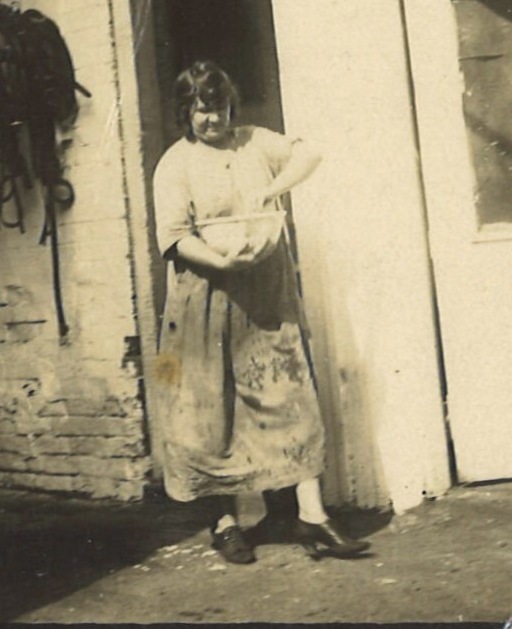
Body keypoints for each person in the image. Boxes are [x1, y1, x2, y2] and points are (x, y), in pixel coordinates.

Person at [151, 60, 369, 565]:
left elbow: (309, 153)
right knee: (206, 411)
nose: (213, 120)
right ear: (186, 113)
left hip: (266, 298)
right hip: (204, 297)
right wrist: (223, 259)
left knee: (287, 396)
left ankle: (312, 518)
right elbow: (176, 238)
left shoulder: (254, 141)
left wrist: (270, 190)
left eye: (220, 107)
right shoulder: (175, 164)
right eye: (202, 111)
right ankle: (224, 521)